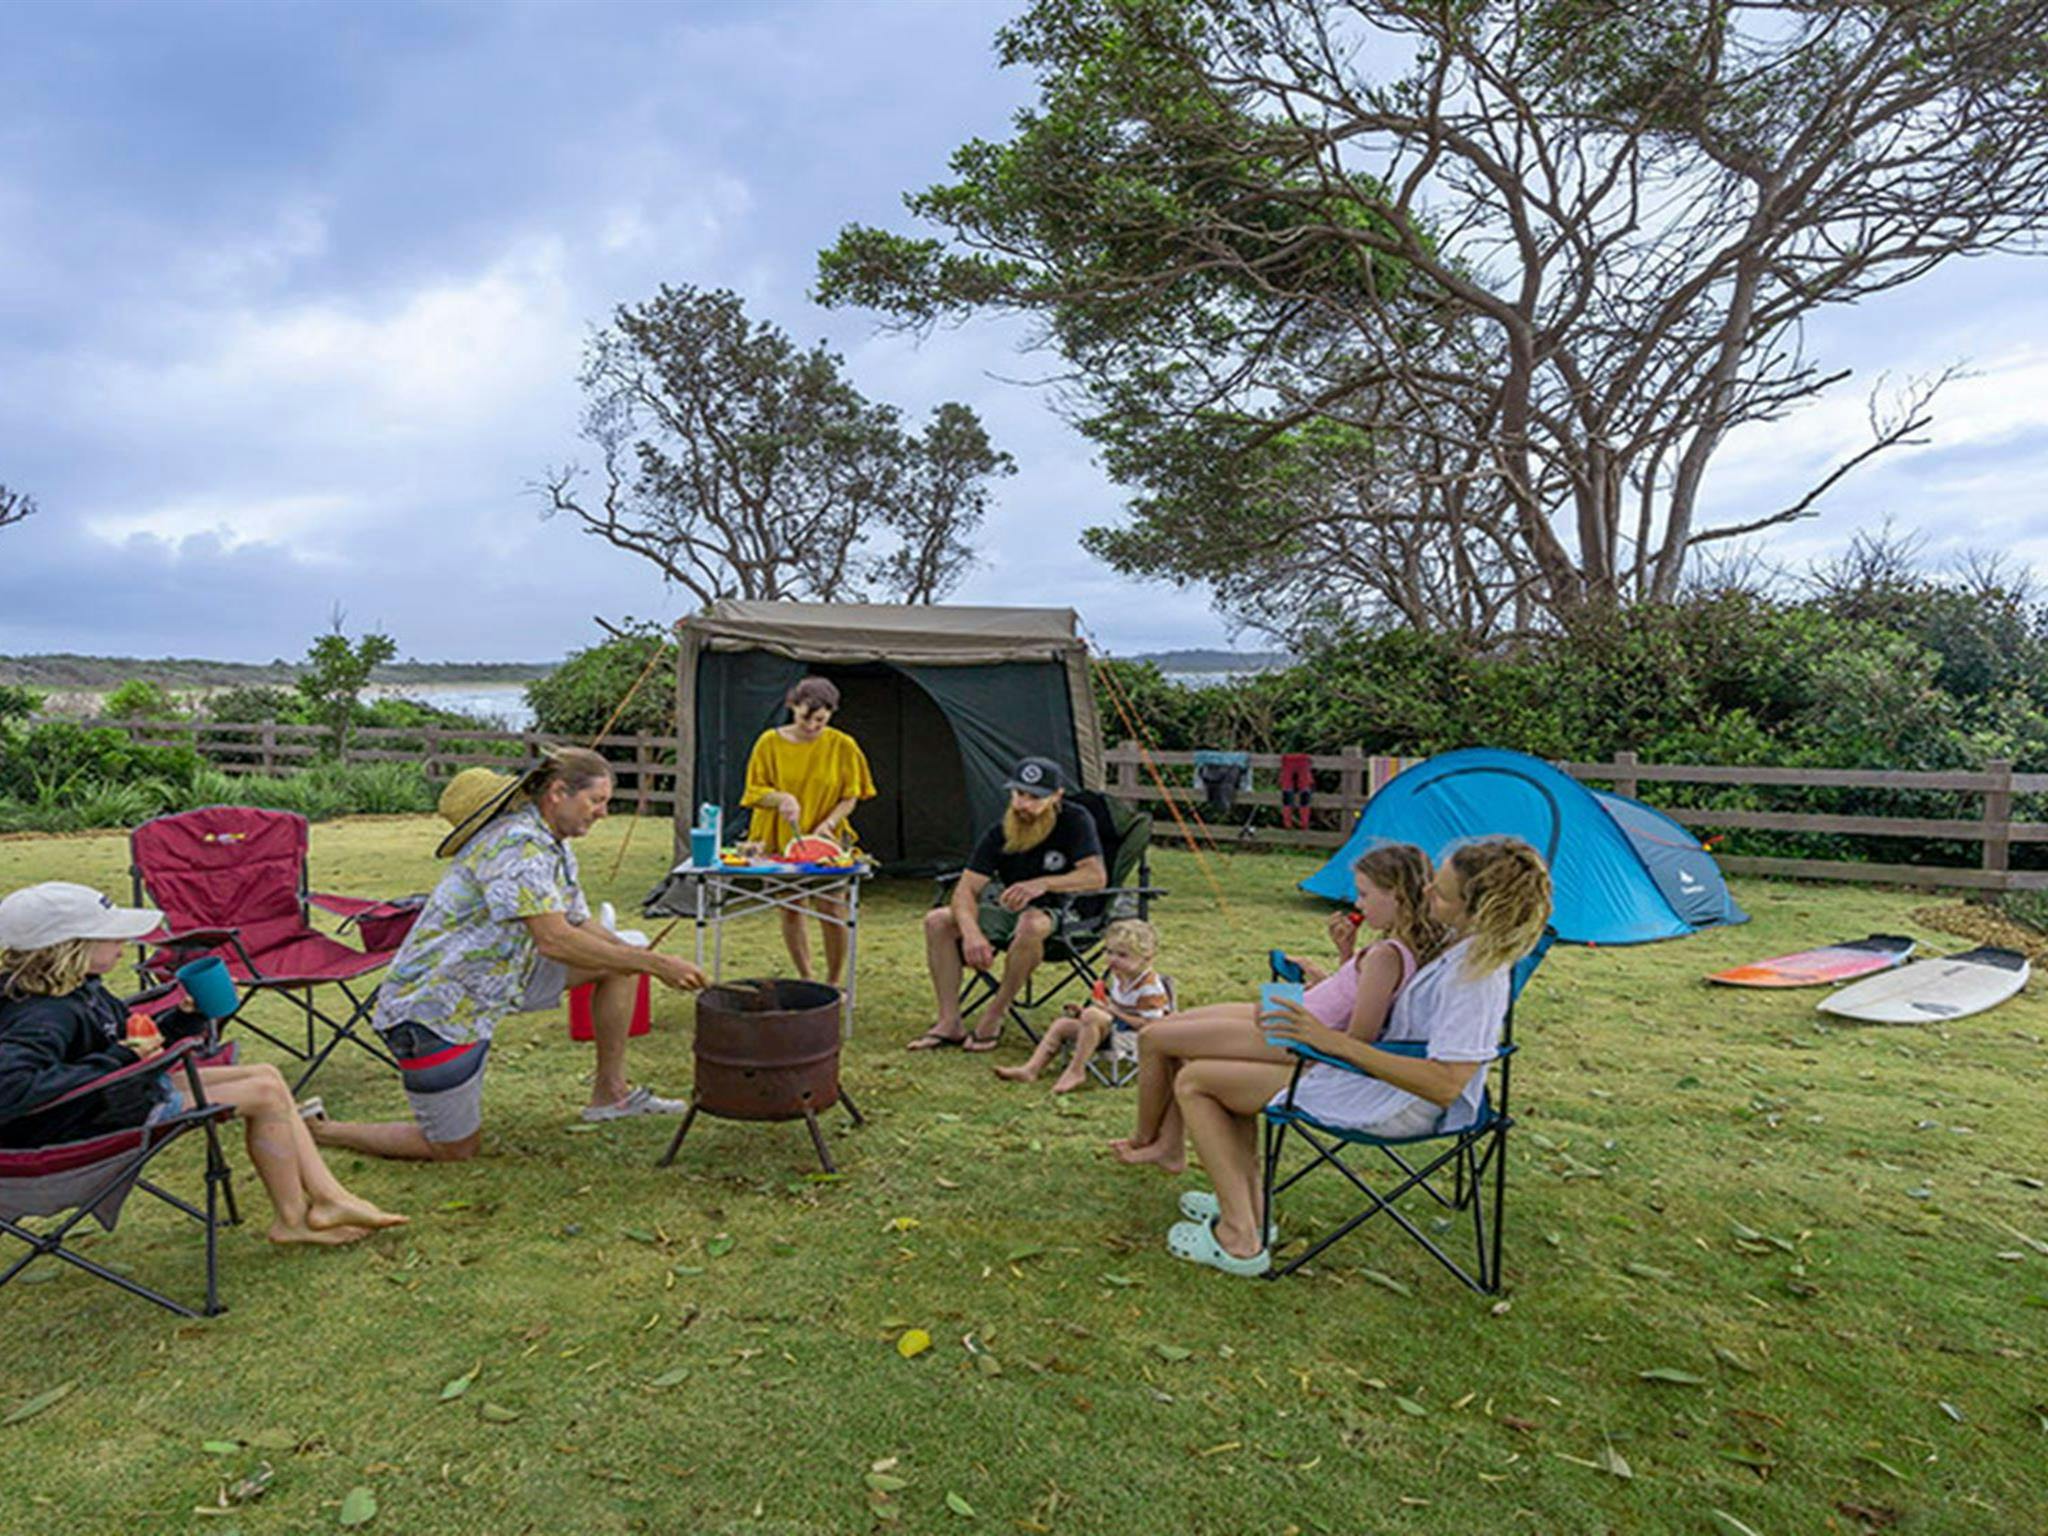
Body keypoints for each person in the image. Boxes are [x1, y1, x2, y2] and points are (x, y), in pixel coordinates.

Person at [1160, 837, 1551, 1276]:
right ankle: (1248, 1206)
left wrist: (1330, 1041)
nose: (1425, 893)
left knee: (1197, 1082)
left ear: (1477, 908)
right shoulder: (1459, 945)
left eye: (1440, 893)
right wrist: (1345, 969)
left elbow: (1444, 1086)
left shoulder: (1475, 980)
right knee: (1209, 1072)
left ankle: (1240, 1239)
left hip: (1400, 1102)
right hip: (1374, 1072)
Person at [311, 748, 707, 1164]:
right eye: (597, 800)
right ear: (557, 793)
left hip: (496, 981)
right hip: (435, 1009)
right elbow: (554, 940)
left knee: (617, 964)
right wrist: (656, 965)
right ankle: (320, 1129)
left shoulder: (550, 840)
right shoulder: (517, 847)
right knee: (453, 1149)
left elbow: (576, 920)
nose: (604, 812)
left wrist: (634, 954)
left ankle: (611, 1096)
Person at [0, 881, 408, 1247]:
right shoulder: (41, 1015)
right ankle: (295, 1218)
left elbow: (125, 1037)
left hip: (111, 1097)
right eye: (111, 935)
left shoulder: (82, 990)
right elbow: (11, 1089)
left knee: (266, 1075)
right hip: (81, 1126)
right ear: (70, 946)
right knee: (263, 1093)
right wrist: (121, 1058)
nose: (125, 941)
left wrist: (183, 1017)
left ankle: (327, 1199)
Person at [1109, 842, 1446, 1177]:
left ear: (1398, 895)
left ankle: (1144, 1139)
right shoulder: (1391, 947)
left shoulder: (1388, 955)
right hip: (1290, 1008)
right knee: (1175, 1030)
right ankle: (1169, 1146)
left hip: (1291, 1031)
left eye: (1365, 895)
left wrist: (1315, 1024)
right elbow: (1357, 996)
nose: (1358, 903)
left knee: (1154, 1037)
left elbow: (1359, 1037)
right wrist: (1343, 955)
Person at [908, 756, 1107, 1052]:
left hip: (1067, 913)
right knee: (938, 921)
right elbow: (966, 889)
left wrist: (1042, 883)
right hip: (1010, 911)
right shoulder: (1003, 828)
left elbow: (1096, 876)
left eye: (1034, 797)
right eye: (1018, 794)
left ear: (1056, 796)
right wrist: (972, 933)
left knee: (1030, 923)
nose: (1023, 804)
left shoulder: (1075, 820)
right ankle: (950, 1021)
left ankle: (996, 1012)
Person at [740, 676, 876, 986]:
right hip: (777, 837)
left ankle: (832, 983)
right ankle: (806, 978)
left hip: (828, 838)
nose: (813, 726)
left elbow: (850, 795)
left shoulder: (843, 745)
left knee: (832, 909)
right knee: (790, 909)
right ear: (792, 707)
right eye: (806, 718)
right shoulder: (768, 743)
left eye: (821, 720)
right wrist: (781, 798)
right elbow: (753, 791)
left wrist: (828, 823)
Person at [995, 918, 1170, 1093]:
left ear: (1146, 958)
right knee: (1062, 1025)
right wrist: (1087, 1012)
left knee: (1093, 1015)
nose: (1112, 959)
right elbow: (1111, 1009)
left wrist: (1112, 1012)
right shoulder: (1119, 975)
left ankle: (1076, 1070)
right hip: (1112, 1029)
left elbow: (1152, 1026)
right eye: (1109, 952)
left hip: (1134, 1037)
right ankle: (1030, 1069)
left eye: (1122, 955)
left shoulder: (1149, 988)